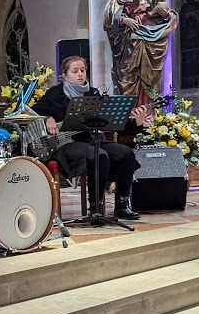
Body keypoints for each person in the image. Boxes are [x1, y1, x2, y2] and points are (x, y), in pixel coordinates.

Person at [32, 55, 152, 220]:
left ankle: (122, 205)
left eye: (83, 70)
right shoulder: (54, 94)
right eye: (75, 71)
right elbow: (33, 111)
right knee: (99, 155)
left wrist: (136, 123)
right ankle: (95, 208)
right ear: (65, 75)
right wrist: (48, 118)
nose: (80, 74)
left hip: (89, 141)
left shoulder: (93, 93)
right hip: (65, 145)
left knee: (125, 153)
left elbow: (109, 122)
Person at [104, 0, 178, 104]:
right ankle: (128, 114)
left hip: (148, 44)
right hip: (126, 48)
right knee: (126, 77)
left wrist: (165, 15)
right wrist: (125, 20)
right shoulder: (115, 0)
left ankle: (149, 114)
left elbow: (157, 17)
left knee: (149, 80)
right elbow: (109, 23)